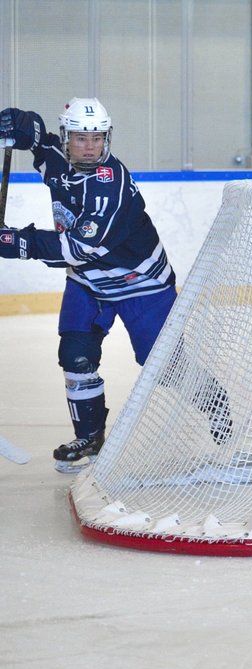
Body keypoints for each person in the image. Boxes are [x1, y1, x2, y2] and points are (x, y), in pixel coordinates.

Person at [0, 98, 212, 473]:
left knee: (161, 365)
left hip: (141, 285)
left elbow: (79, 248)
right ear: (68, 138)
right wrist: (17, 124)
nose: (90, 146)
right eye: (81, 138)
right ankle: (90, 437)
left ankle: (213, 399)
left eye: (96, 138)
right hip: (88, 284)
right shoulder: (59, 158)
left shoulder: (108, 184)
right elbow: (37, 139)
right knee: (75, 357)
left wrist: (17, 242)